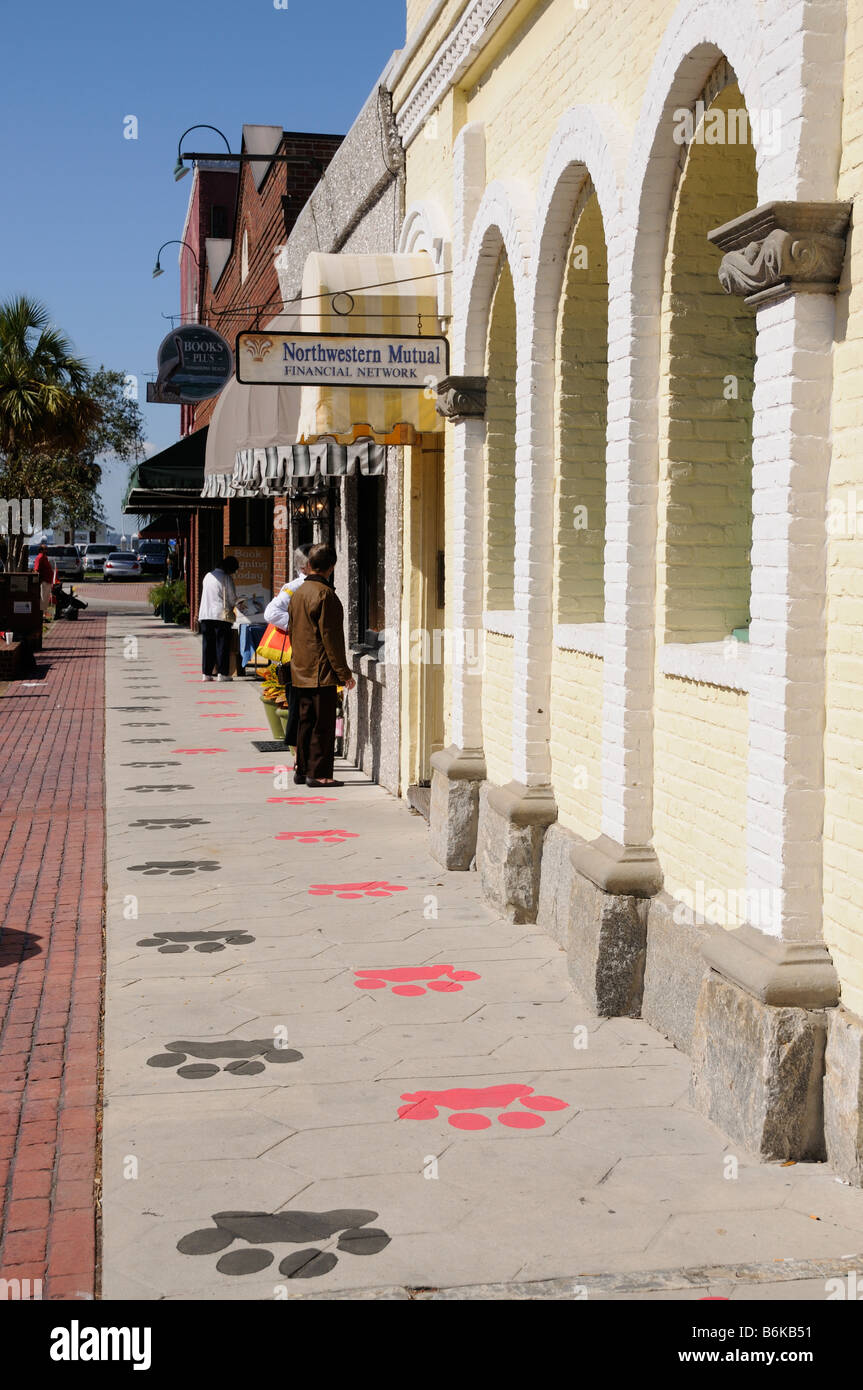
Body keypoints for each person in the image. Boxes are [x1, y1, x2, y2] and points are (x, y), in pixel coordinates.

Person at [288, 543, 355, 787]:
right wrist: (344, 673)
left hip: (301, 669)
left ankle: (302, 768)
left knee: (305, 722)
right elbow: (332, 639)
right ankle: (319, 774)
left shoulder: (297, 593)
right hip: (320, 671)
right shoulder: (325, 595)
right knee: (322, 725)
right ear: (331, 567)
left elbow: (293, 631)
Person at [263, 543, 313, 749]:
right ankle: (298, 751)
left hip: (309, 656)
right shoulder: (294, 587)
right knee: (297, 703)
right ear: (304, 567)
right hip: (297, 655)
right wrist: (301, 626)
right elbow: (271, 613)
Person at [198, 556, 240, 682]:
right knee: (222, 644)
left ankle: (206, 673)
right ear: (229, 568)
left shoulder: (208, 576)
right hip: (220, 616)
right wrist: (240, 602)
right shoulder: (227, 578)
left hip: (205, 614)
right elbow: (232, 599)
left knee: (207, 645)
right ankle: (222, 673)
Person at [33, 541, 55, 617]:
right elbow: (36, 569)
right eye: (45, 549)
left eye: (46, 548)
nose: (46, 550)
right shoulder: (40, 557)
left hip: (48, 580)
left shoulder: (44, 557)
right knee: (43, 598)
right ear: (41, 550)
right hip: (44, 581)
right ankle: (41, 615)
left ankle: (44, 613)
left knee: (46, 598)